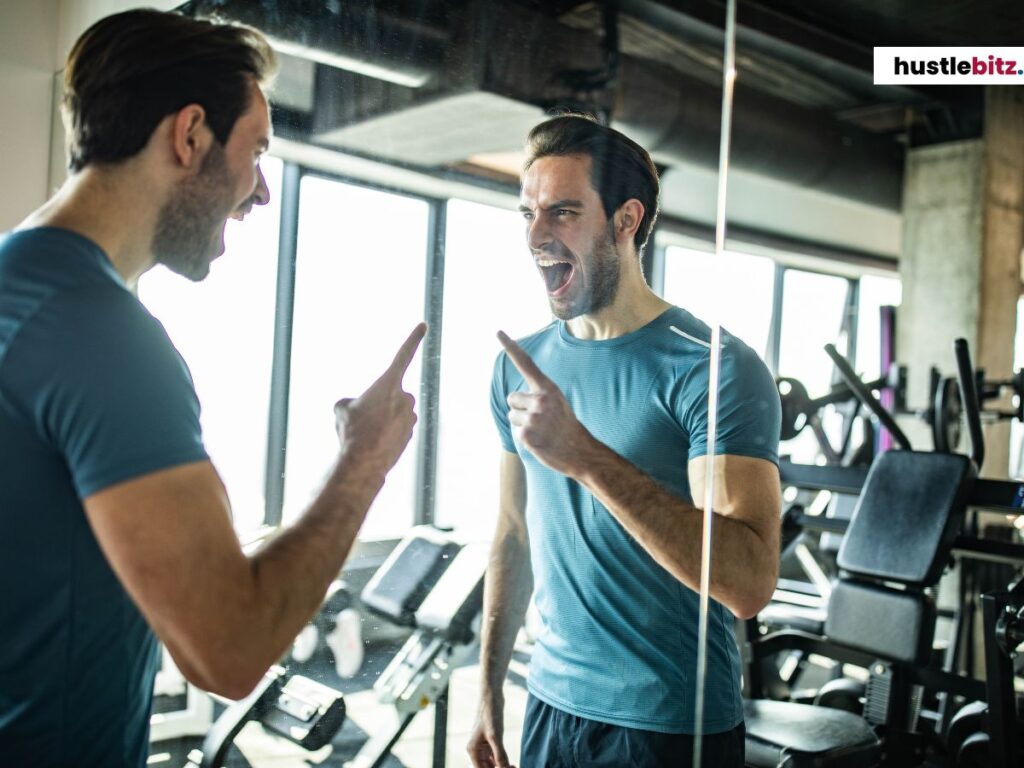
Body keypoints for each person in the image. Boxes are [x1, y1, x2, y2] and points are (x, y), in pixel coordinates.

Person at [0, 10, 424, 767]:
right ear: (190, 135)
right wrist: (365, 461)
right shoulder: (99, 334)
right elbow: (228, 651)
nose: (261, 191)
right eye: (256, 151)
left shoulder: (18, 287)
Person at [467, 115, 782, 768]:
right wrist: (489, 687)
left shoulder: (713, 368)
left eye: (562, 212)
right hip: (551, 705)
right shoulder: (516, 365)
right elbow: (513, 534)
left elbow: (748, 582)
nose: (534, 236)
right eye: (527, 212)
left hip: (669, 723)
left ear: (625, 219)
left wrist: (584, 457)